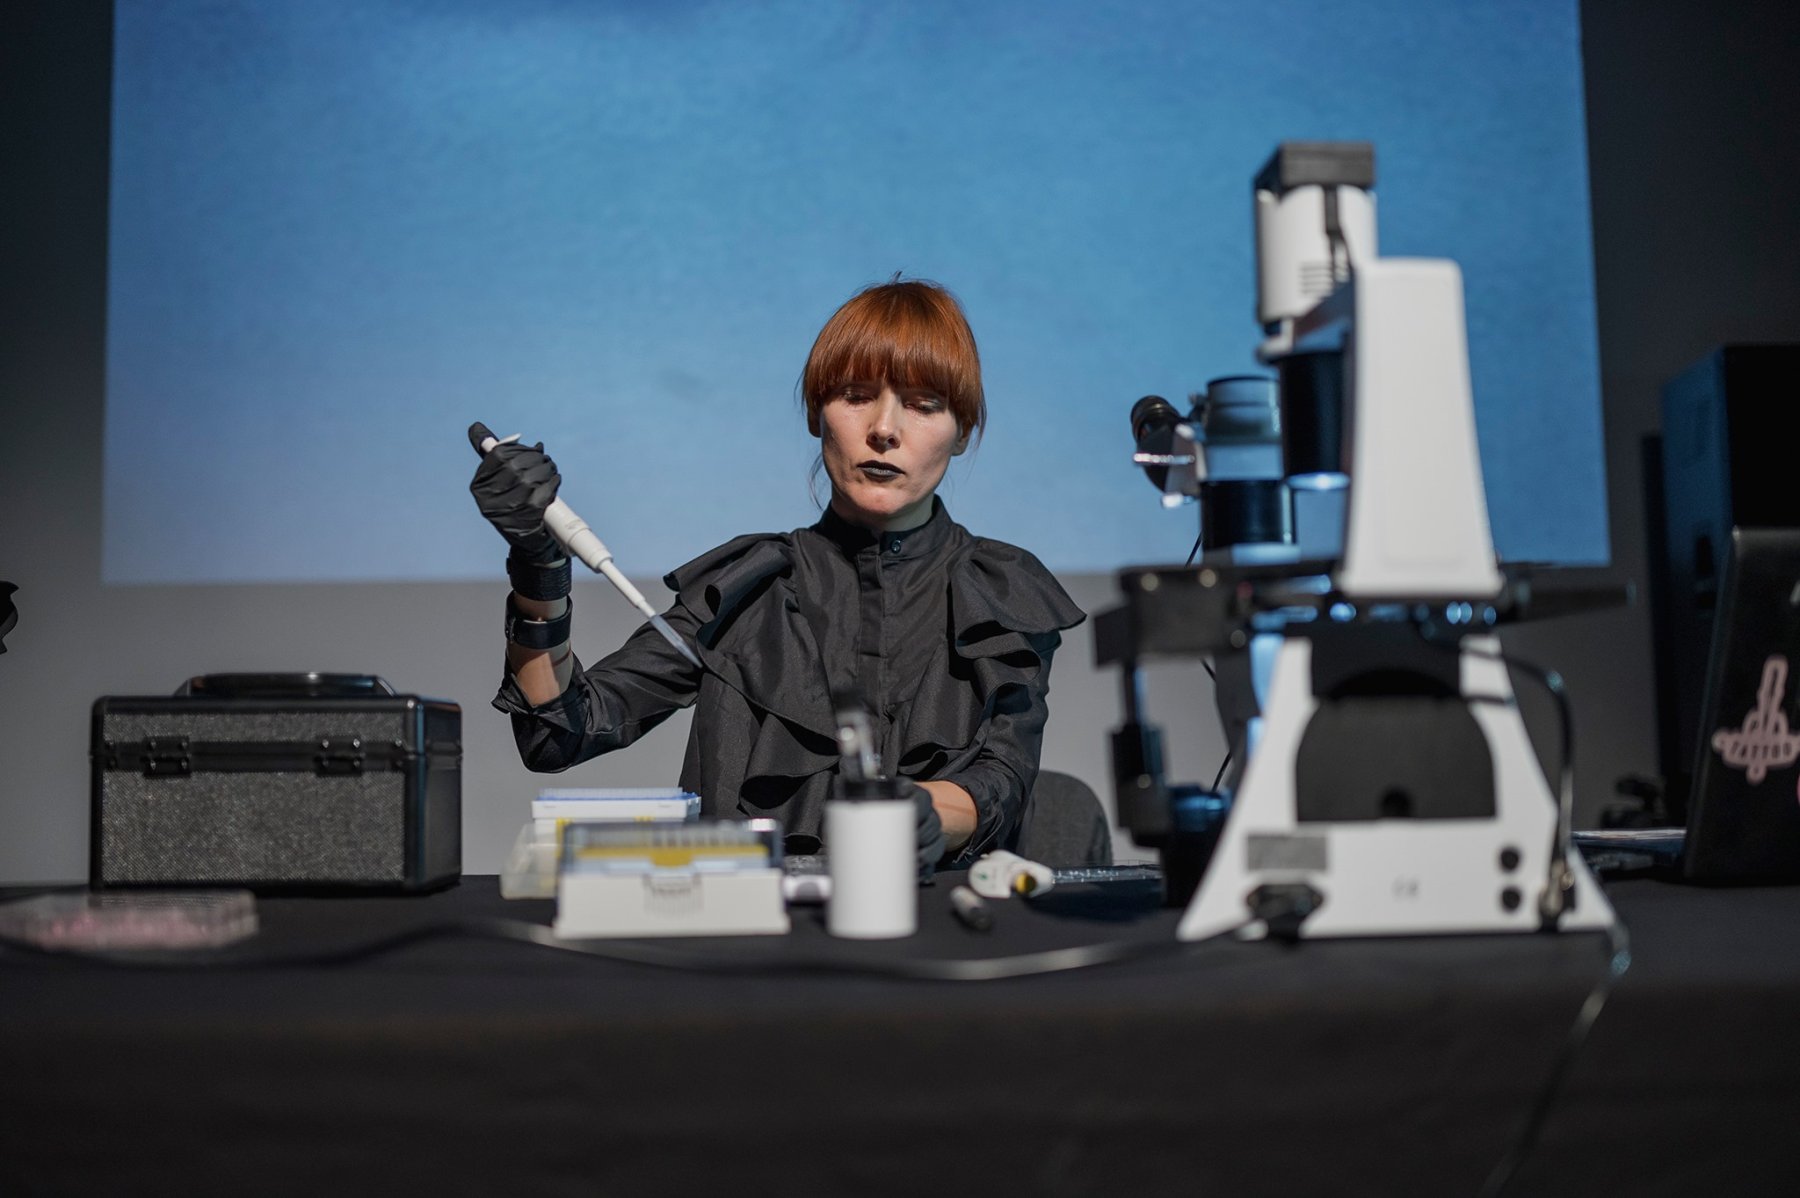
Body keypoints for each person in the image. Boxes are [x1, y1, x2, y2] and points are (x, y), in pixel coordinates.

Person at [470, 279, 1085, 870]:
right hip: (756, 942)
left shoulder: (999, 590)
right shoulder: (748, 588)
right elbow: (561, 734)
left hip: (944, 939)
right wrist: (539, 566)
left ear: (962, 435)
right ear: (817, 414)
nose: (885, 430)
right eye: (855, 396)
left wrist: (924, 809)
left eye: (924, 406)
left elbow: (1003, 778)